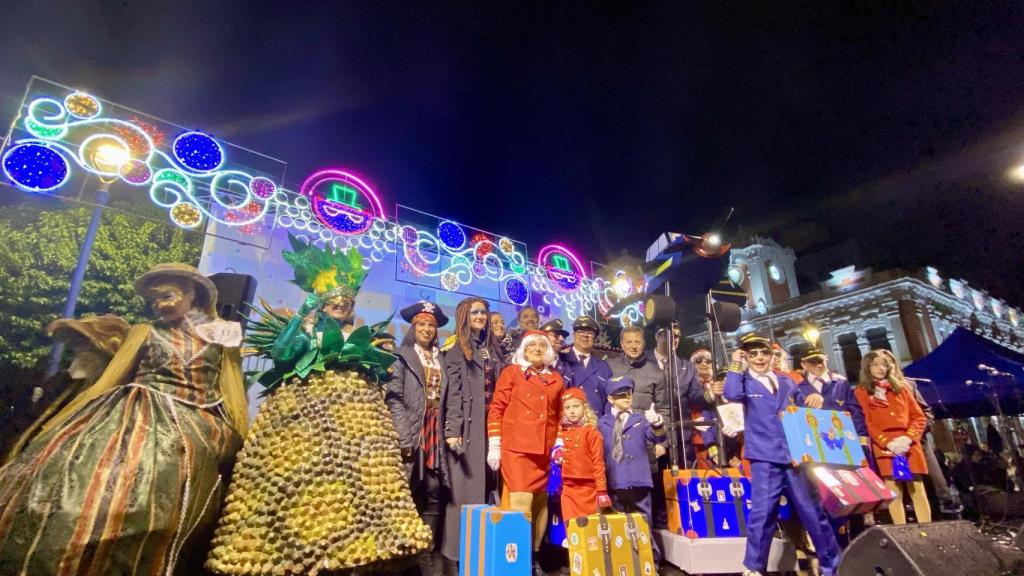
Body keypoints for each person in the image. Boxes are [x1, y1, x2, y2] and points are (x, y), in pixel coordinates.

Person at [0, 263, 249, 576]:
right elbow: (115, 375)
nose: (160, 305)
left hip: (196, 417)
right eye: (155, 300)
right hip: (134, 409)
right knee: (91, 475)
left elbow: (231, 386)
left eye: (168, 296)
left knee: (175, 472)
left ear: (193, 294)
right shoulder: (146, 332)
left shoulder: (223, 335)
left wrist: (238, 431)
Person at [208, 240, 431, 575]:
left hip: (357, 421)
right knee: (307, 482)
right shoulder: (308, 329)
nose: (341, 305)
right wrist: (302, 313)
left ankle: (359, 547)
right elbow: (284, 353)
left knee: (359, 486)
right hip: (304, 417)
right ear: (323, 302)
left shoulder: (361, 334)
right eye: (335, 301)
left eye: (346, 301)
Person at [724, 333, 841, 576]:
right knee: (763, 512)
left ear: (771, 355)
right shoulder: (743, 381)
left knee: (812, 511)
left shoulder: (786, 381)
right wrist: (736, 363)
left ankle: (832, 564)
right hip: (765, 457)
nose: (759, 358)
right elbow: (731, 394)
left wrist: (815, 399)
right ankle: (754, 567)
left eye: (763, 353)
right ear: (745, 355)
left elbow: (800, 412)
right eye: (752, 353)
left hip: (794, 455)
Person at [487, 329, 564, 576]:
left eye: (542, 345)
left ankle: (534, 557)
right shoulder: (512, 373)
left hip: (544, 450)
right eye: (532, 345)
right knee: (521, 502)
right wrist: (495, 444)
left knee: (541, 505)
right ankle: (516, 559)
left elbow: (559, 415)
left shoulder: (557, 379)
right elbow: (497, 408)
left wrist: (559, 443)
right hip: (517, 448)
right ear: (524, 349)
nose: (538, 349)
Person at [4, 314, 130, 462]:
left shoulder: (116, 395)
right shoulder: (63, 381)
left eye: (87, 344)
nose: (79, 350)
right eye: (77, 344)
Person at [386, 301, 451, 575]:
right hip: (412, 430)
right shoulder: (401, 356)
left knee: (434, 493)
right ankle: (402, 553)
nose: (426, 329)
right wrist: (403, 436)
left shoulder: (442, 359)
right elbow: (394, 396)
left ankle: (425, 550)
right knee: (408, 490)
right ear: (414, 328)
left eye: (431, 326)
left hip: (435, 431)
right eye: (421, 324)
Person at [441, 297, 505, 571]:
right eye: (475, 312)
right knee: (464, 495)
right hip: (468, 430)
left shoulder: (492, 348)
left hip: (492, 429)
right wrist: (453, 430)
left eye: (484, 312)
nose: (480, 316)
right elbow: (452, 393)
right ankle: (455, 555)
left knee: (489, 493)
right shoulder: (456, 347)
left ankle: (481, 552)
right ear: (464, 316)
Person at [854, 350, 932, 525]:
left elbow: (919, 416)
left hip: (908, 445)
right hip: (886, 447)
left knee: (917, 489)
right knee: (894, 491)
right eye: (875, 364)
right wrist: (886, 442)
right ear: (867, 367)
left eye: (884, 364)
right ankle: (901, 531)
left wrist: (908, 438)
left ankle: (927, 531)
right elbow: (867, 422)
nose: (881, 368)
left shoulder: (902, 388)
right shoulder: (861, 392)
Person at [598, 375, 667, 563]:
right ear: (611, 399)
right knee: (615, 522)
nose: (626, 398)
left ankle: (650, 561)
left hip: (638, 479)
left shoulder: (640, 419)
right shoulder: (602, 423)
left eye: (628, 394)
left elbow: (658, 439)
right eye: (620, 395)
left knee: (644, 521)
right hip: (614, 479)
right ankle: (621, 560)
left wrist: (657, 423)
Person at [552, 387, 610, 521]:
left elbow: (598, 462)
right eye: (567, 407)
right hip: (568, 489)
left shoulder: (592, 432)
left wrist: (601, 490)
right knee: (571, 527)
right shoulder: (561, 434)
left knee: (590, 530)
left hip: (589, 489)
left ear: (584, 407)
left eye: (576, 406)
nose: (572, 411)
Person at [561, 316, 611, 416]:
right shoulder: (561, 361)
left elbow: (609, 400)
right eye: (580, 332)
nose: (585, 336)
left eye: (590, 333)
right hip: (568, 425)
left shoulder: (603, 367)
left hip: (596, 425)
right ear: (573, 335)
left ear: (595, 339)